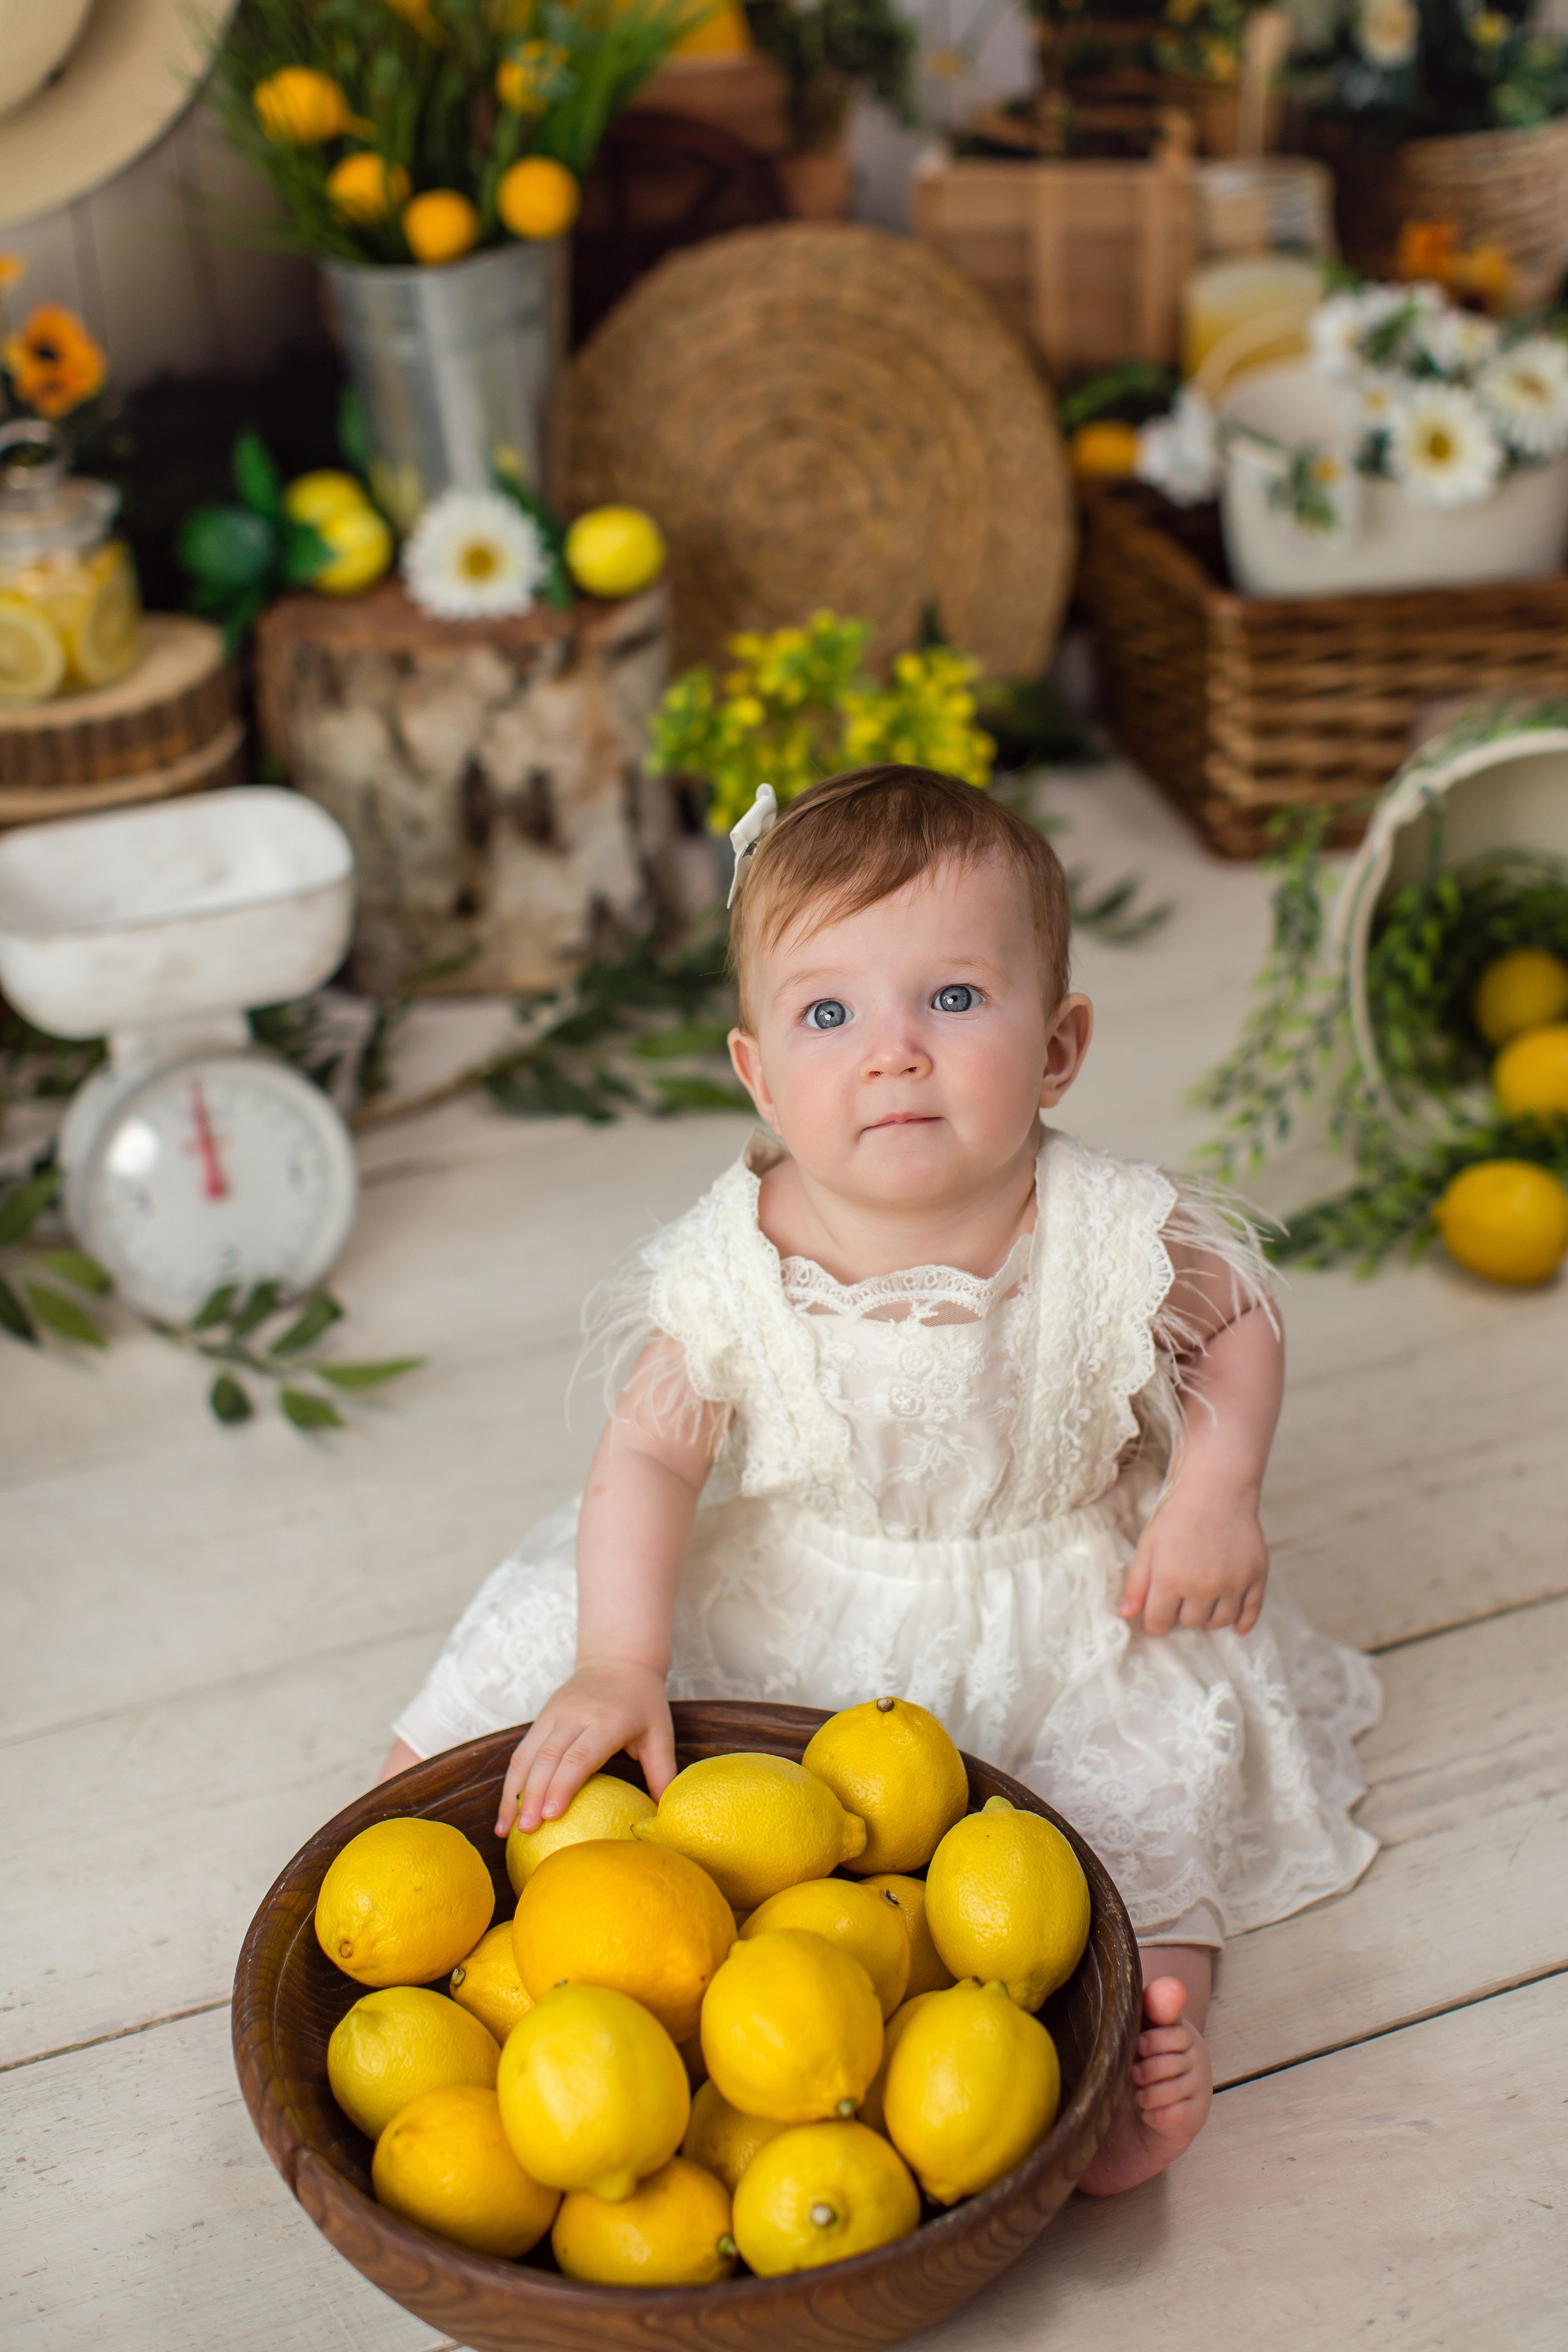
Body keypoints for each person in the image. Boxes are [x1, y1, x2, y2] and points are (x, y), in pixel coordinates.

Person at [380, 764, 1379, 2194]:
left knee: (1128, 1811)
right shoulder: (736, 1263)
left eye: (953, 1001)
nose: (892, 1052)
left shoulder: (1102, 1228)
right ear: (759, 1073)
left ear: (1056, 1045)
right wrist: (618, 1655)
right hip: (799, 1582)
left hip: (1065, 1607)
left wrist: (1210, 1493)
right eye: (828, 1013)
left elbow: (1236, 1322)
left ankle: (1129, 2053)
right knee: (554, 1671)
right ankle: (424, 1846)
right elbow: (652, 1452)